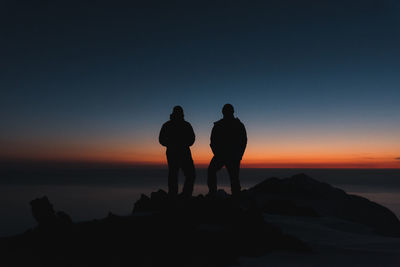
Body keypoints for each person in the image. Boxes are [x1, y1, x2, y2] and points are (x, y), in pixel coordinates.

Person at [207, 104, 247, 197]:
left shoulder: (237, 125)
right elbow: (213, 141)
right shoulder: (222, 125)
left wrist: (238, 155)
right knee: (213, 171)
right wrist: (217, 153)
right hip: (223, 155)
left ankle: (235, 197)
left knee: (234, 178)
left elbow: (243, 141)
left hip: (231, 156)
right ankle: (213, 193)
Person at [159, 106, 196, 198]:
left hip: (180, 153)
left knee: (182, 174)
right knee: (176, 174)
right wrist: (172, 144)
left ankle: (182, 195)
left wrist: (172, 144)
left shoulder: (169, 125)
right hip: (177, 153)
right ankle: (177, 195)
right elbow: (161, 139)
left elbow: (192, 139)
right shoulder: (170, 125)